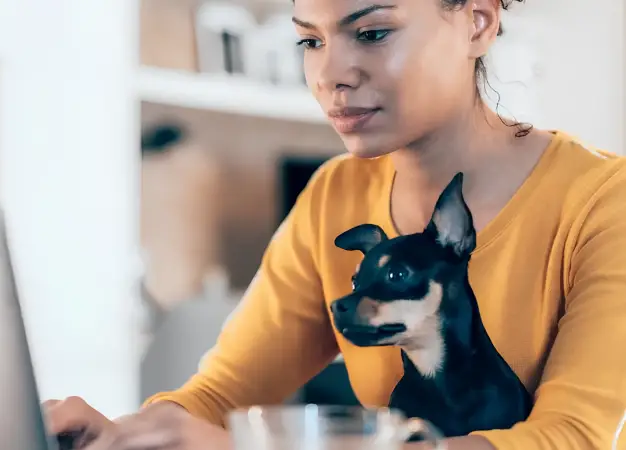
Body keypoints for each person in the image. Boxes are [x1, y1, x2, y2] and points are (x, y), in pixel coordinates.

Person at [44, 0, 626, 448]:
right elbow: (222, 396)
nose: (329, 74)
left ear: (477, 22)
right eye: (310, 40)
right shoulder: (335, 195)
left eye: (371, 32)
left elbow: (570, 439)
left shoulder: (605, 201)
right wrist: (121, 434)